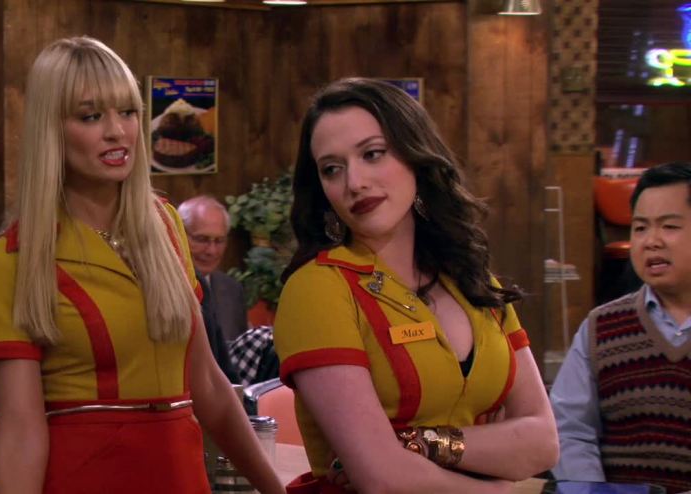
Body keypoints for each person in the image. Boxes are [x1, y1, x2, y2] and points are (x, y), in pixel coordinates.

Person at [0, 37, 284, 494]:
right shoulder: (12, 262)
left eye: (128, 112)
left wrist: (273, 489)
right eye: (90, 116)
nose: (117, 131)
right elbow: (20, 430)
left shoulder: (166, 227)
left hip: (180, 477)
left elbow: (209, 387)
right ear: (51, 130)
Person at [273, 78, 559, 493]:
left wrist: (422, 443)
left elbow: (543, 441)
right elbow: (381, 478)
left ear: (416, 155)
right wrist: (498, 487)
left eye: (373, 154)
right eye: (332, 169)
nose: (354, 182)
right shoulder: (317, 289)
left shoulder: (474, 282)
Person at [551, 161, 691, 493]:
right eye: (640, 228)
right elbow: (570, 430)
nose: (651, 241)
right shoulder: (601, 327)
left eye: (669, 226)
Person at [178, 195, 249, 343]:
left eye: (219, 241)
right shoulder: (158, 288)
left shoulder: (232, 290)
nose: (211, 251)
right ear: (178, 235)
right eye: (201, 239)